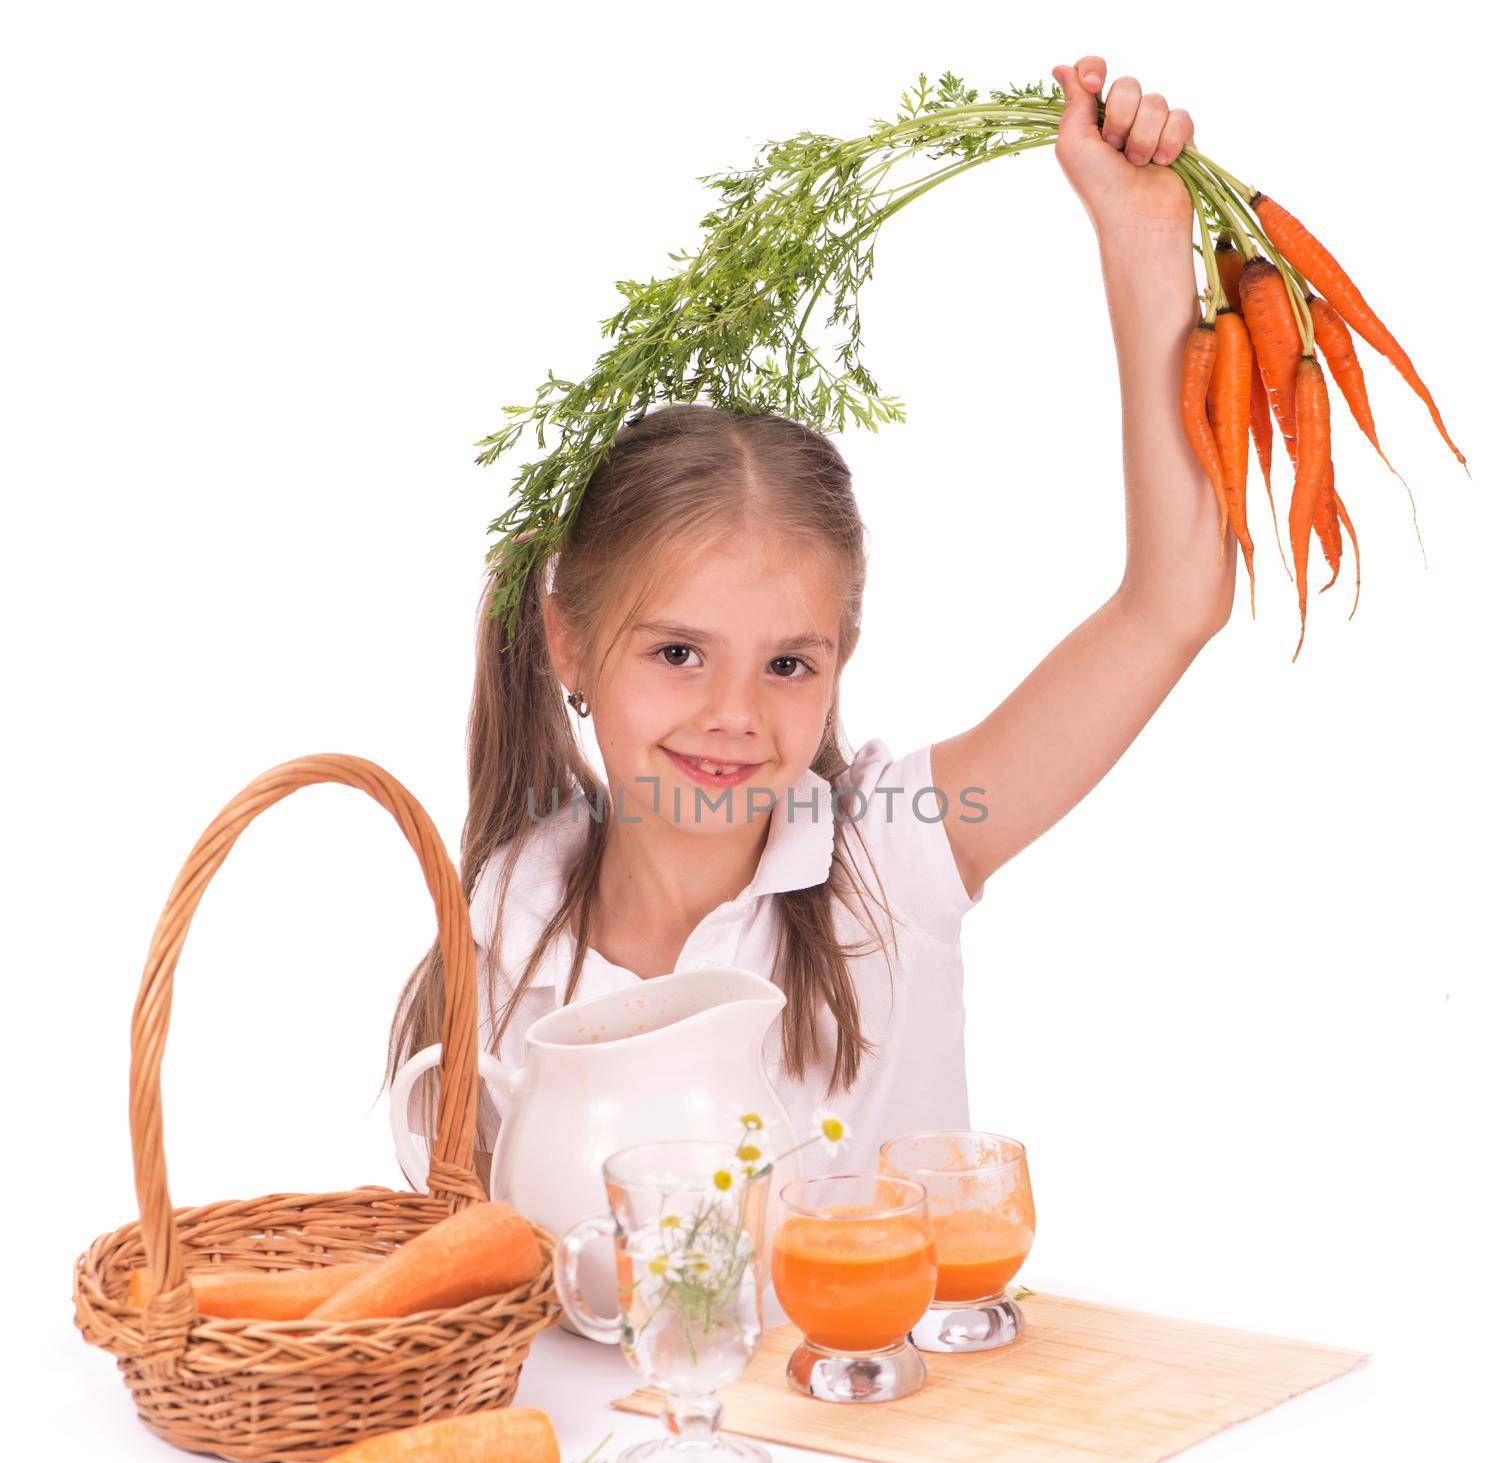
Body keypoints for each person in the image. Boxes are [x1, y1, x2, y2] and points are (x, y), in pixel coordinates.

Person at [387, 56, 1234, 1189]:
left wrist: (1142, 248)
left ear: (840, 660)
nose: (733, 715)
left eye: (787, 662)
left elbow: (1172, 601)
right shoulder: (496, 937)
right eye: (678, 652)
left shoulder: (888, 858)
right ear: (567, 641)